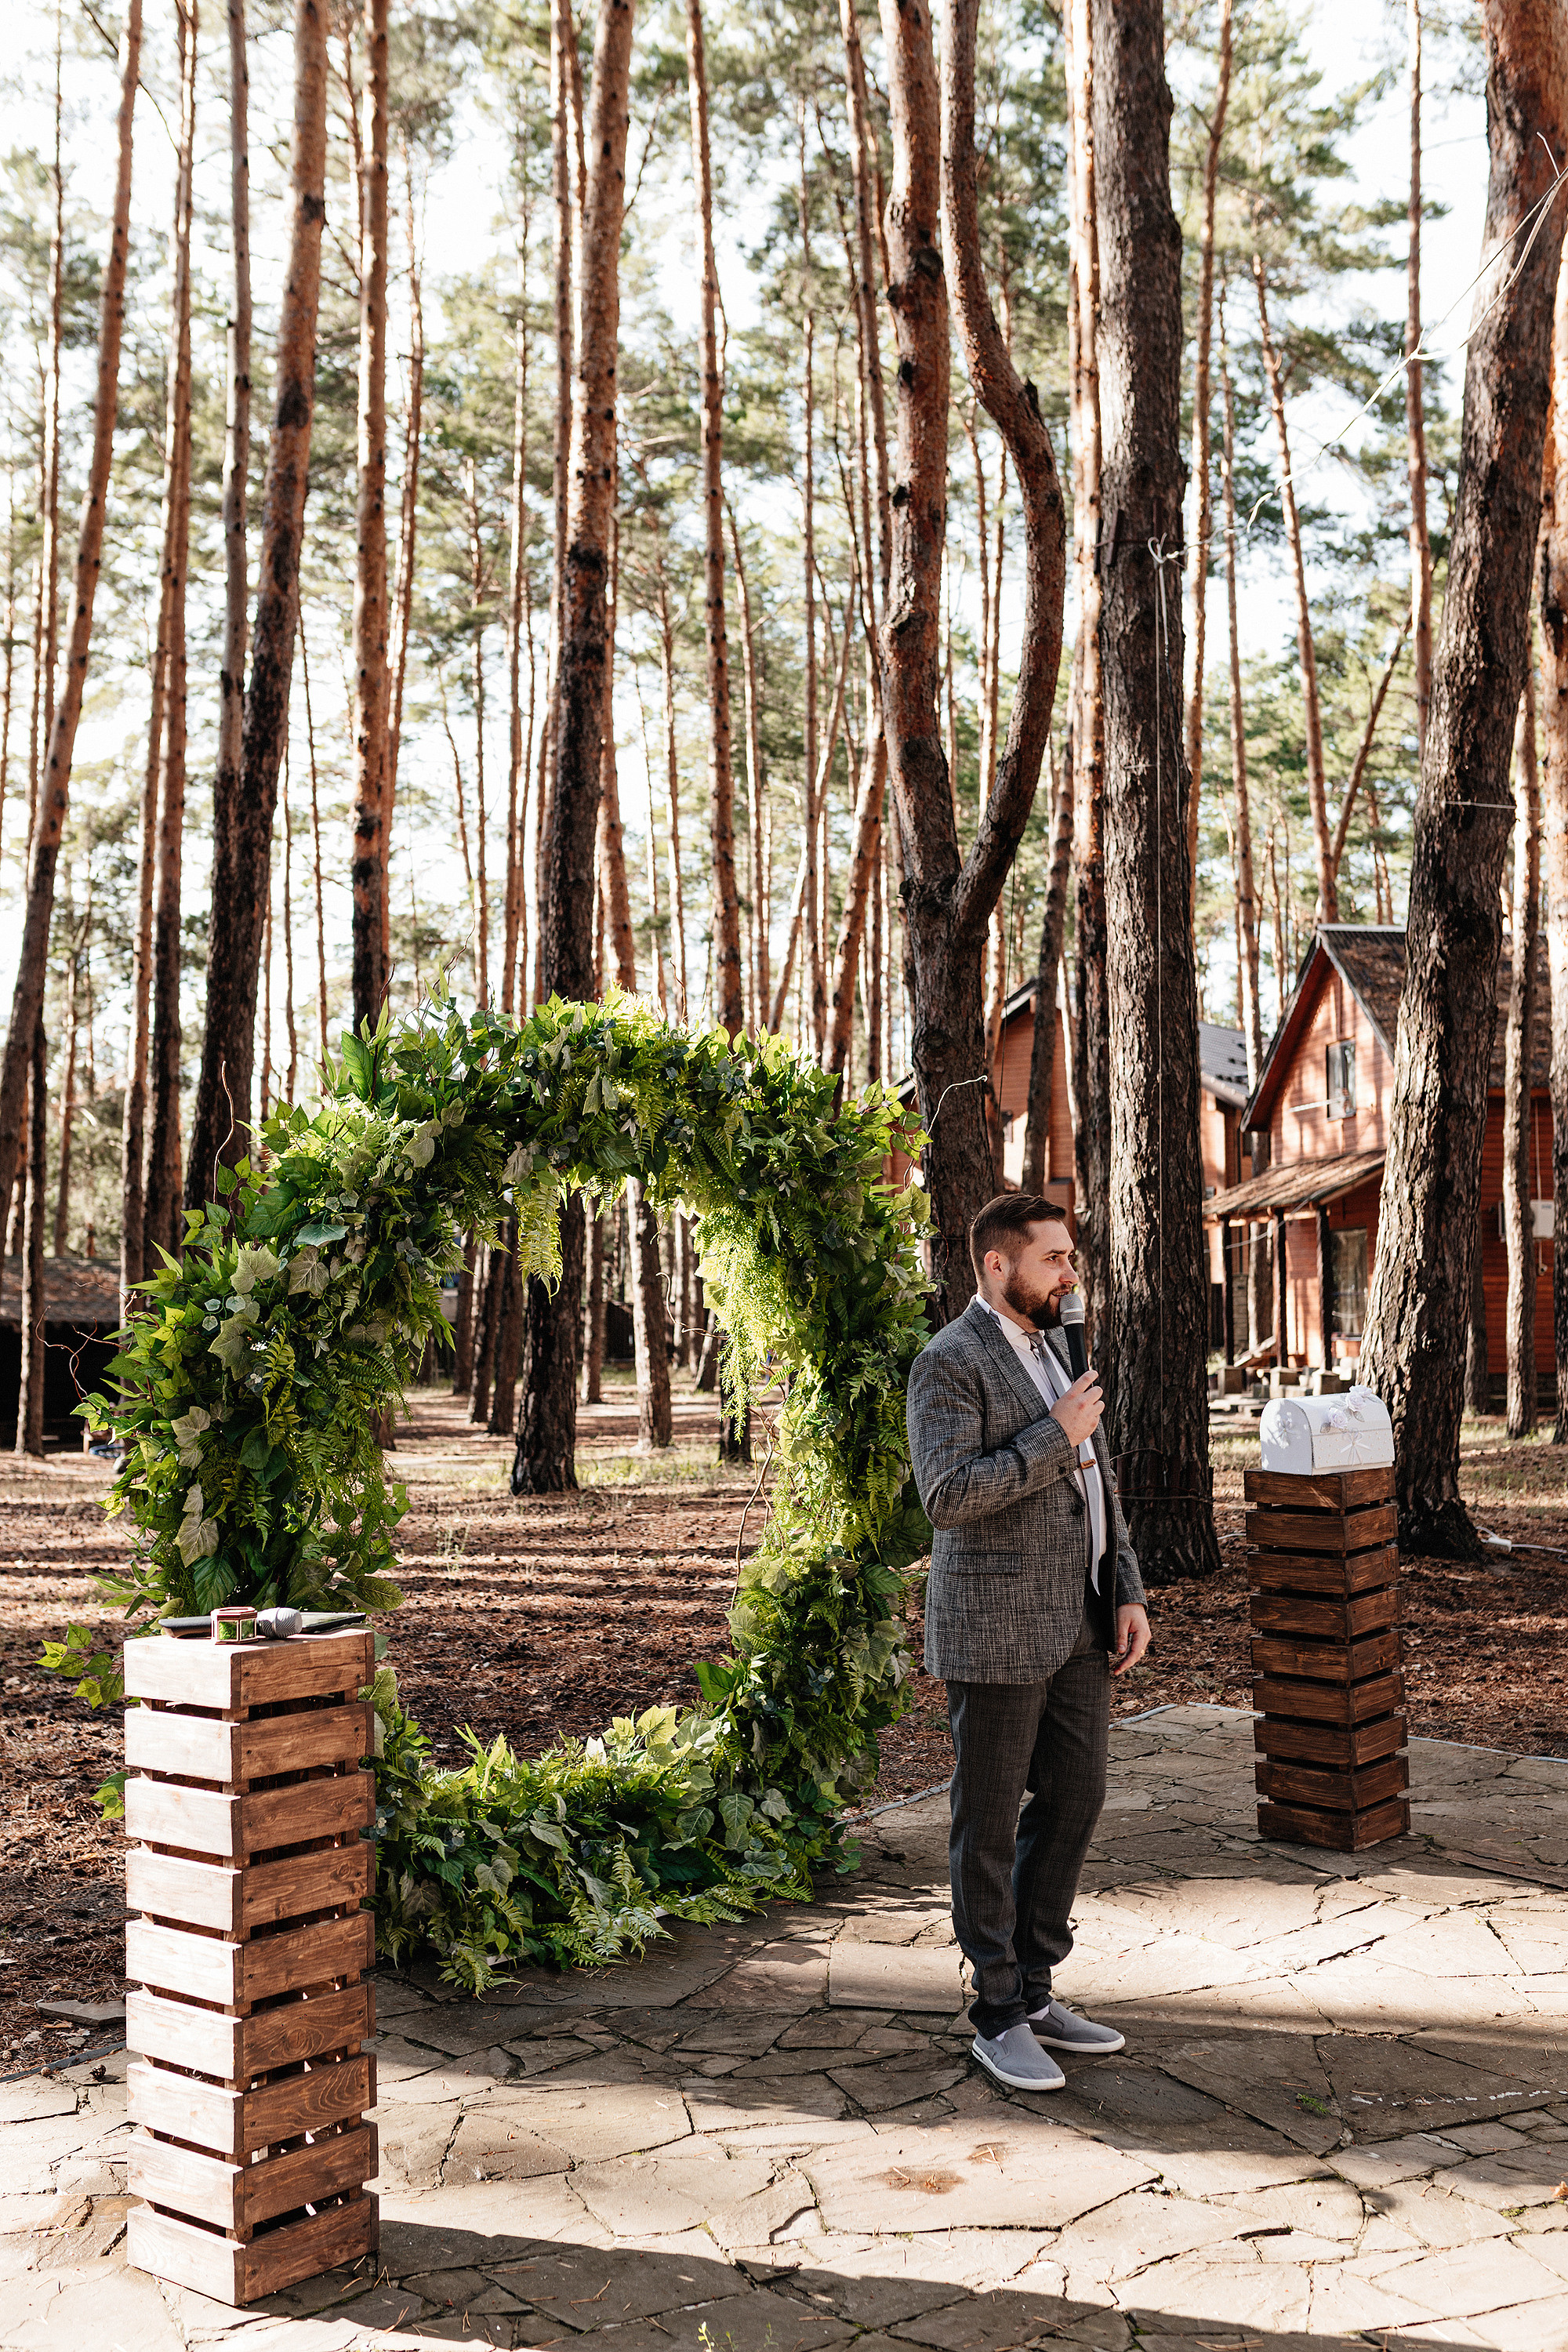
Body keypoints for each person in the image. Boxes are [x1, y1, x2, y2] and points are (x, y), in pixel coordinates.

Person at [906, 1192, 1152, 2092]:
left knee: (1075, 1802)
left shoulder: (1058, 1349)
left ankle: (1038, 1987)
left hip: (1082, 1621)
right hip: (997, 1628)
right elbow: (946, 1497)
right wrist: (1054, 1436)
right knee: (985, 1822)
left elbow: (1097, 1481)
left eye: (1069, 1257)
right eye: (1053, 1258)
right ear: (997, 1265)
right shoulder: (947, 1363)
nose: (1070, 1273)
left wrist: (1123, 1588)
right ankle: (997, 2010)